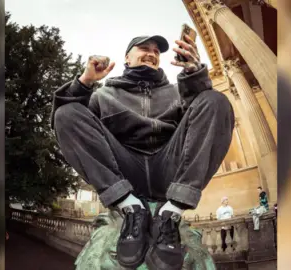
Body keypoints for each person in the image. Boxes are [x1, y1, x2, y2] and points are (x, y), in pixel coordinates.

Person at [51, 34, 234, 270]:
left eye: (157, 51)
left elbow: (203, 122)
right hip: (126, 172)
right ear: (127, 58)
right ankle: (130, 207)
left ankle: (172, 212)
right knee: (66, 114)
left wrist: (194, 74)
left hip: (169, 168)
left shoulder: (177, 92)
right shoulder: (103, 95)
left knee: (215, 100)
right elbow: (68, 125)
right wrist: (86, 81)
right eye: (144, 48)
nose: (152, 53)